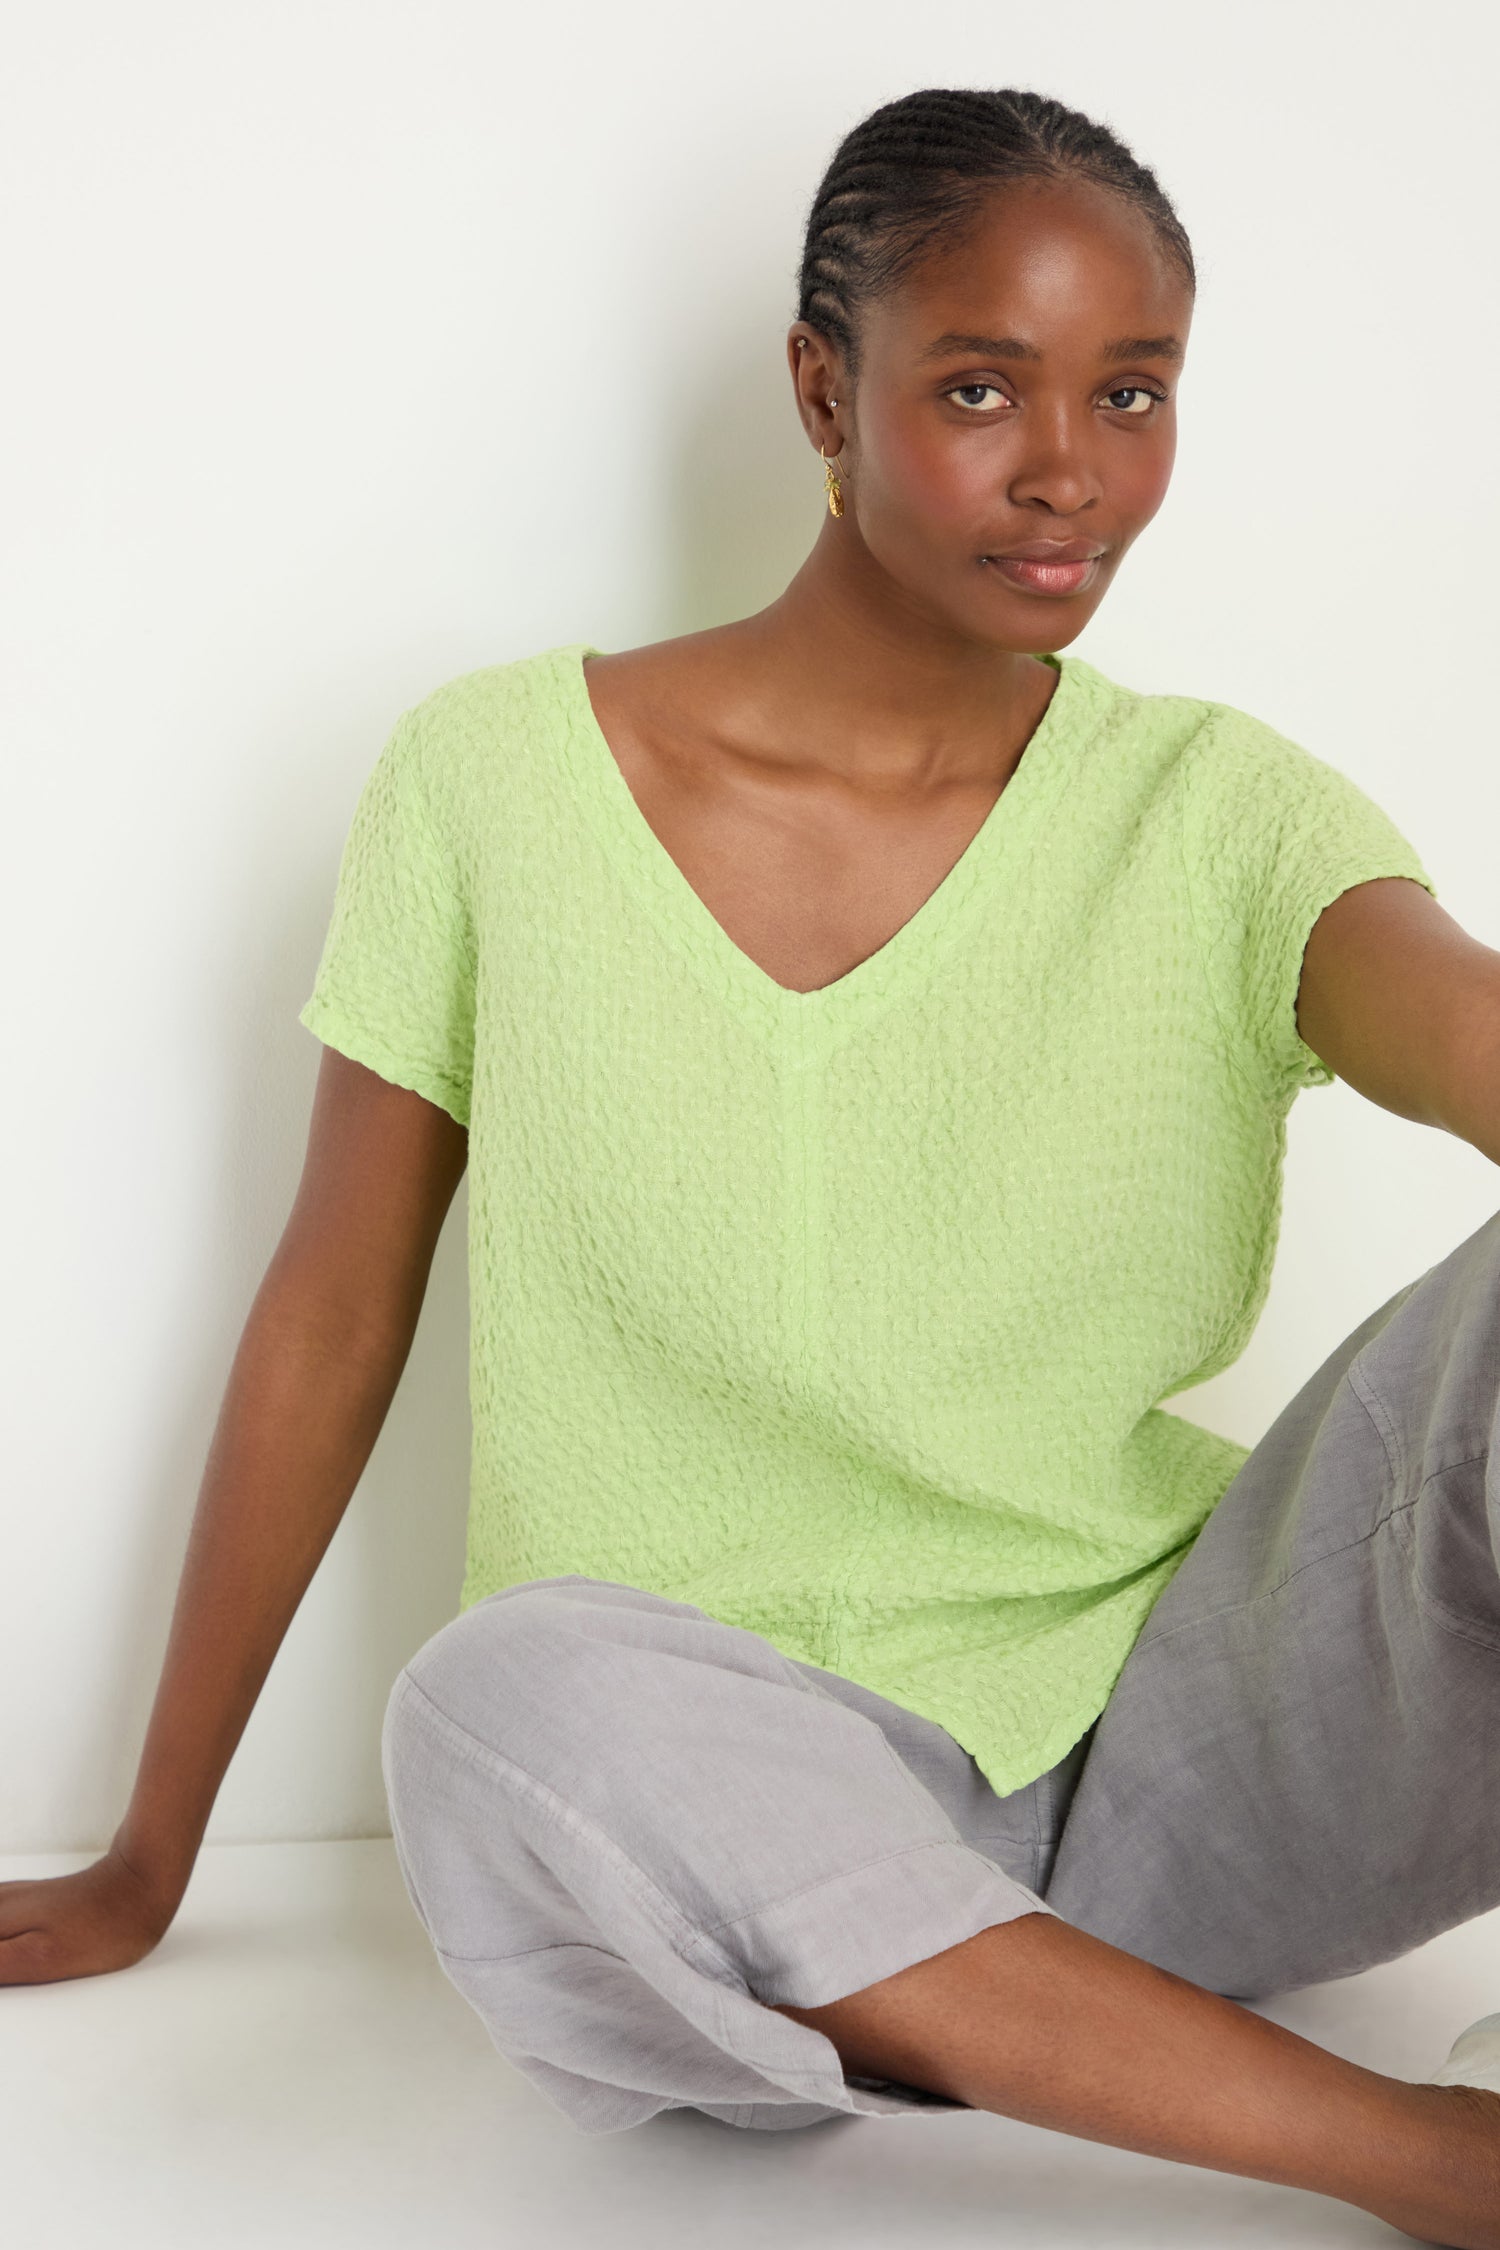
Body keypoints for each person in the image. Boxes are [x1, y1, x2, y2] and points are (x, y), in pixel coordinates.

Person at [4, 81, 1499, 2247]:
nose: (1070, 469)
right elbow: (335, 1308)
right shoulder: (487, 782)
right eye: (980, 387)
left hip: (1191, 1776)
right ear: (825, 386)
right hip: (701, 1833)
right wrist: (154, 1856)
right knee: (497, 1692)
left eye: (1135, 392)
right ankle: (1434, 2166)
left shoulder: (1225, 814)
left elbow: (1460, 1019)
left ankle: (1077, 2024)